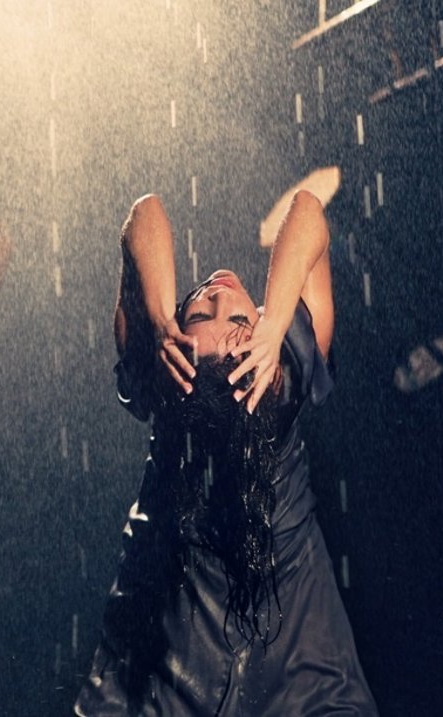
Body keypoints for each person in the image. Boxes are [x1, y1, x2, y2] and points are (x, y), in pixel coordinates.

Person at [74, 191, 377, 716]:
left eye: (216, 310)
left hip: (298, 682)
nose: (216, 293)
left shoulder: (204, 379)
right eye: (207, 311)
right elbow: (303, 210)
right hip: (165, 679)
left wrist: (165, 323)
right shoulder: (269, 377)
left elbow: (148, 212)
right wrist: (270, 326)